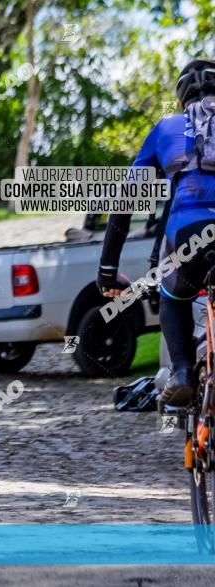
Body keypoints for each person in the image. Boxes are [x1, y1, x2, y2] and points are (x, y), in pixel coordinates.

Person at [98, 58, 215, 408]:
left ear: (182, 99)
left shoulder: (166, 128)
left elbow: (125, 201)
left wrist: (107, 270)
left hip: (187, 234)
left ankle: (181, 372)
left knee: (172, 292)